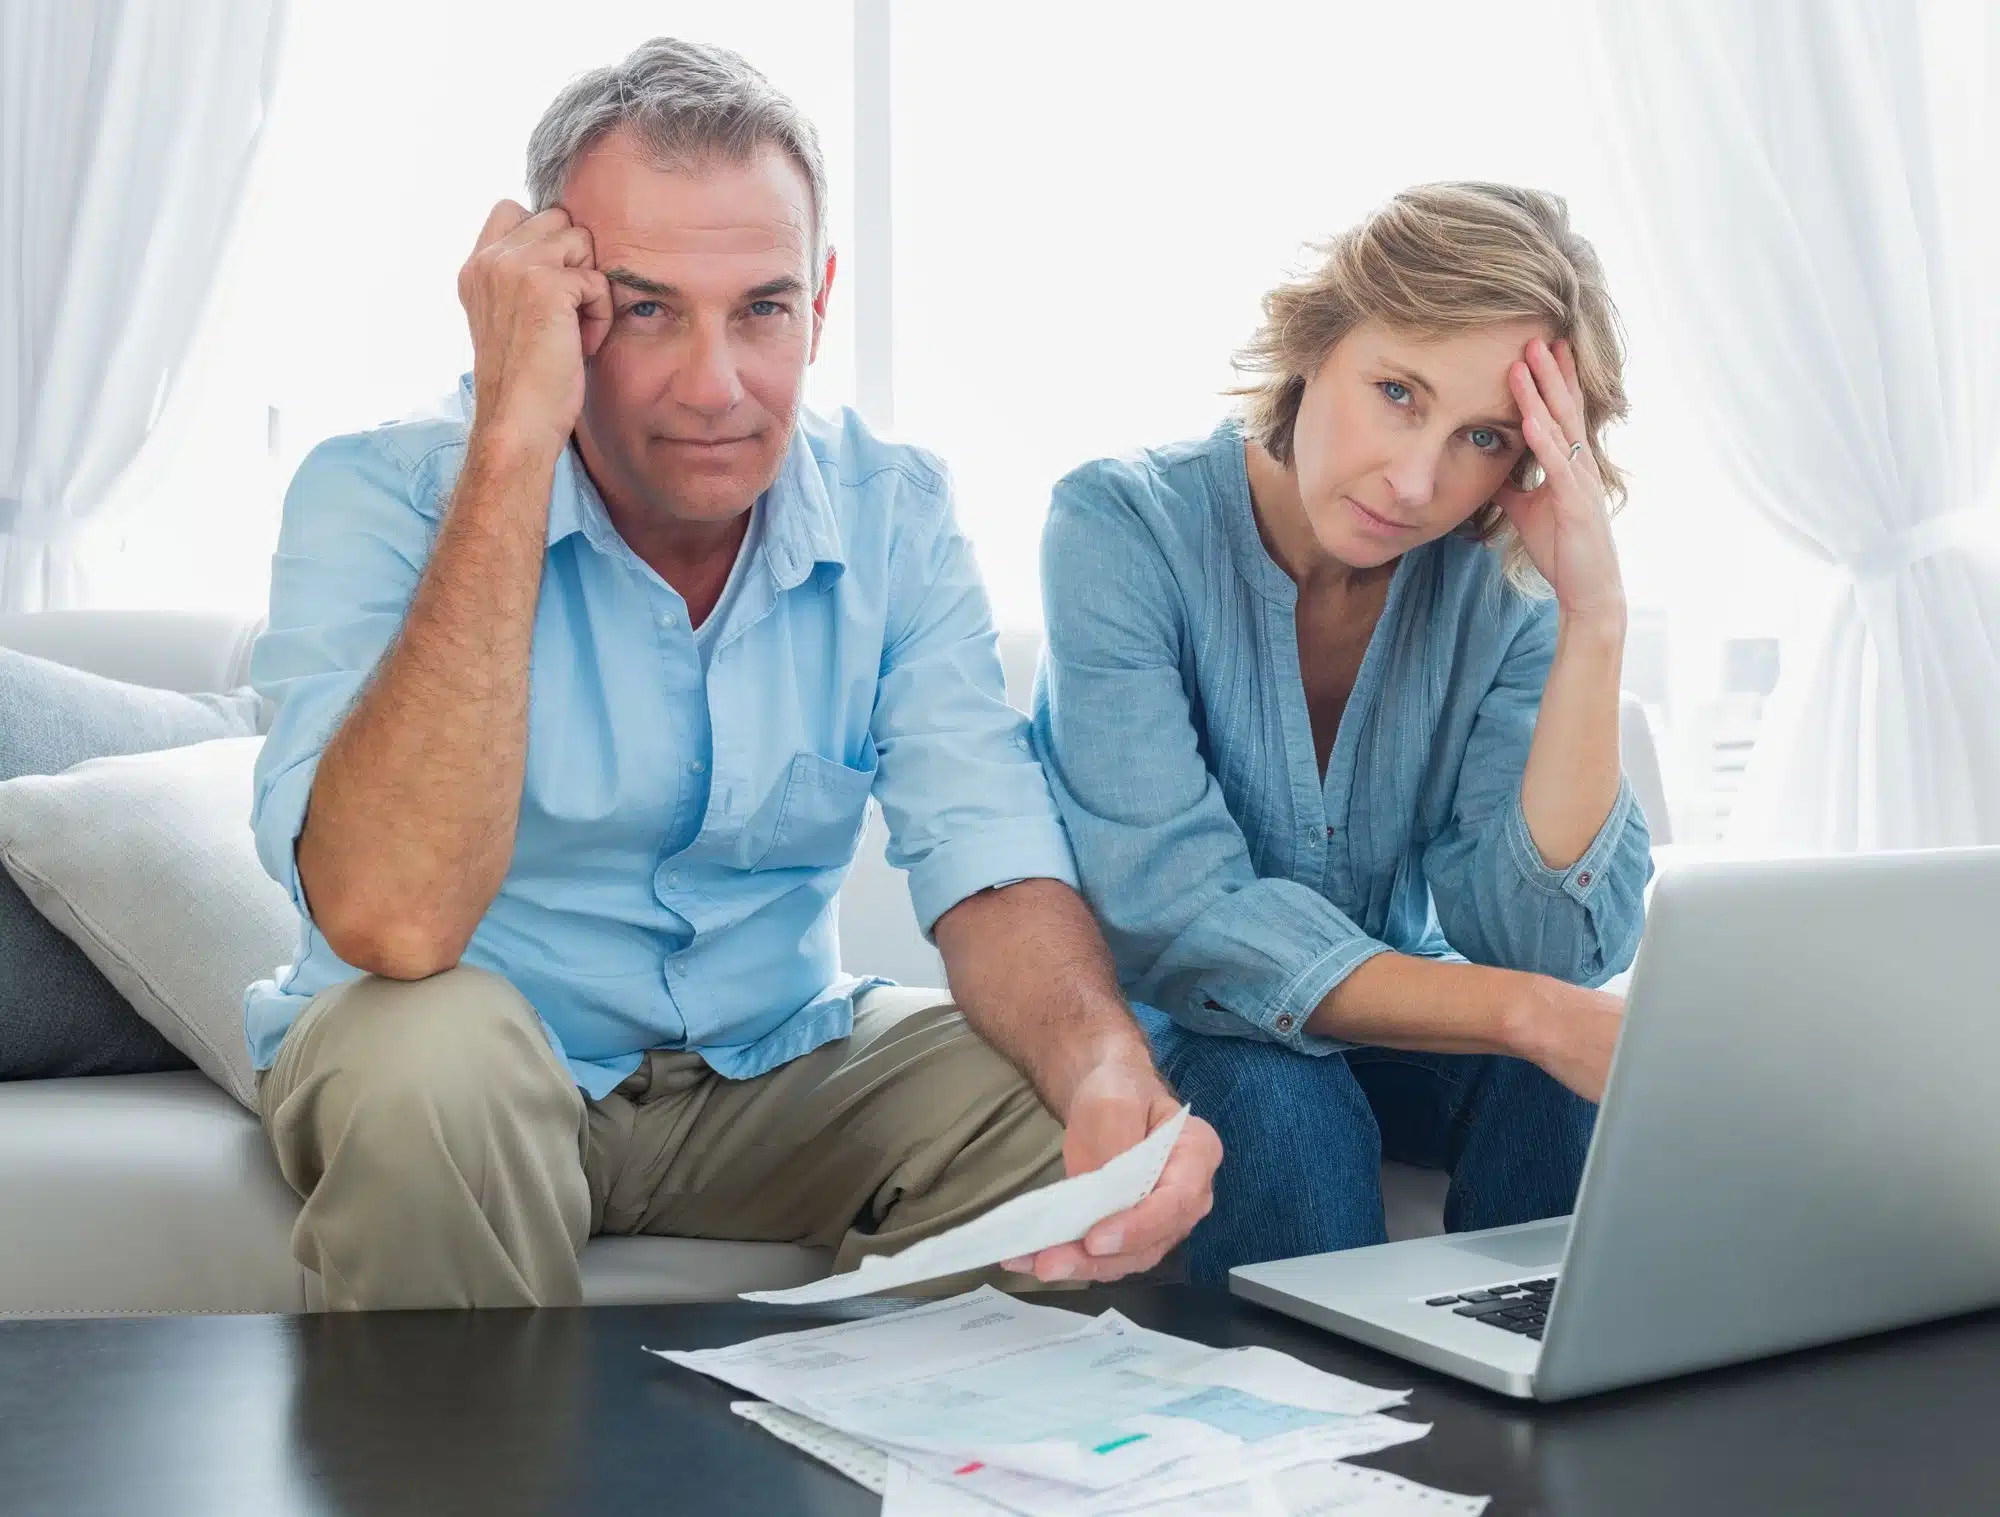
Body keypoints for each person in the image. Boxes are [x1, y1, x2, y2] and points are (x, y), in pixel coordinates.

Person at [244, 37, 1218, 1311]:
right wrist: (515, 434)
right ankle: (473, 1441)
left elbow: (987, 854)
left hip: (772, 1059)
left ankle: (825, 1427)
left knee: (1069, 1130)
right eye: (646, 309)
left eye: (761, 309)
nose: (714, 388)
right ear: (553, 304)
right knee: (425, 1061)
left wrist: (1100, 1064)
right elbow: (392, 921)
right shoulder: (379, 494)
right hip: (469, 1064)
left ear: (819, 300)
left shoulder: (893, 510)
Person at [1033, 183, 1651, 1287]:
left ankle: (1542, 1380)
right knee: (1277, 1095)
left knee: (1560, 1083)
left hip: (1391, 1018)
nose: (1414, 483)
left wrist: (1592, 619)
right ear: (1316, 343)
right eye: (1397, 392)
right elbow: (1179, 918)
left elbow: (1543, 947)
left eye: (1481, 437)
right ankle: (1306, 1404)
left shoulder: (1500, 590)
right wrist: (1527, 1012)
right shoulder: (1122, 524)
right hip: (1172, 1030)